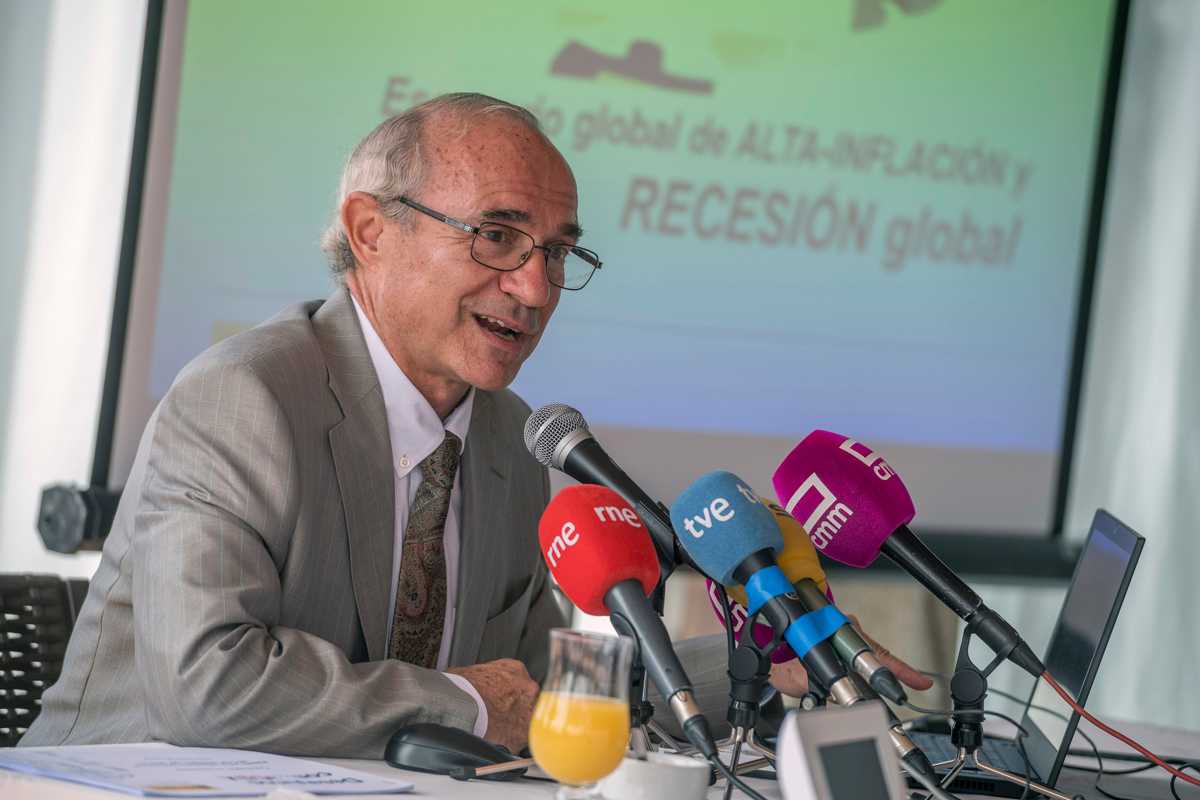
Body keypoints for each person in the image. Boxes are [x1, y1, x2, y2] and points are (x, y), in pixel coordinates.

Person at [22, 93, 928, 757]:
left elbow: (538, 695)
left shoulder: (511, 439)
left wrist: (762, 661)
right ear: (370, 232)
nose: (535, 288)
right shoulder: (243, 398)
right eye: (496, 236)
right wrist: (458, 701)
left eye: (558, 251)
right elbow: (204, 690)